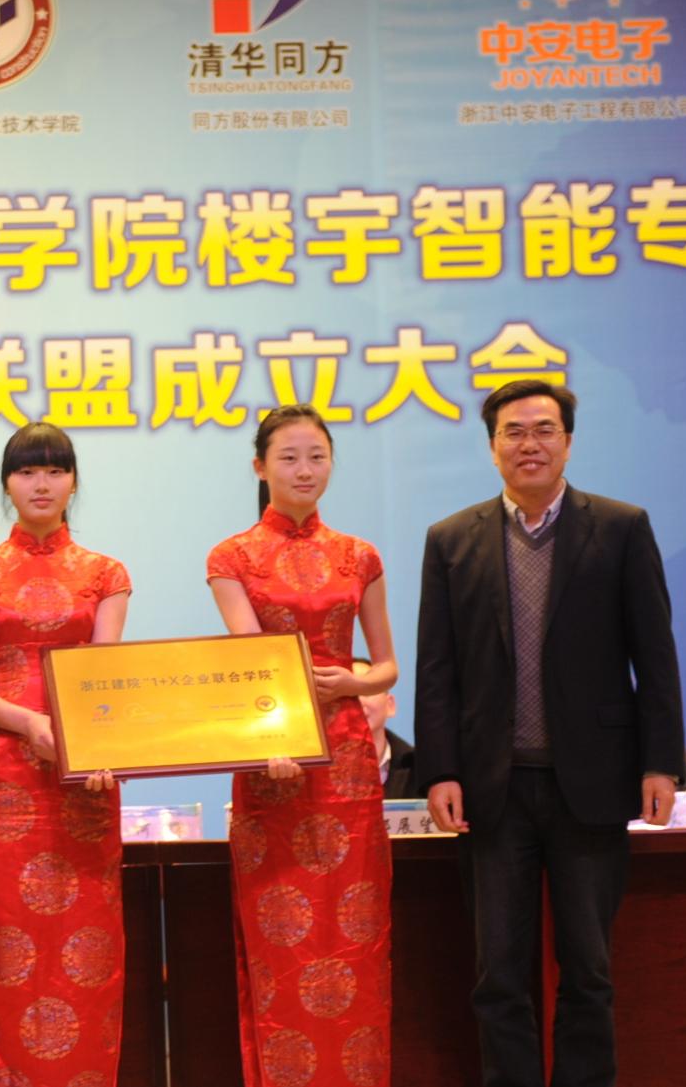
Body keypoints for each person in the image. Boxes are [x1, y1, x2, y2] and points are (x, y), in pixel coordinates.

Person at [414, 379, 684, 1087]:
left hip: (591, 782)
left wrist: (661, 764)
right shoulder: (450, 540)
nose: (528, 443)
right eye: (513, 431)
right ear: (491, 446)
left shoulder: (621, 528)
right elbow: (437, 669)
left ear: (568, 441)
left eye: (543, 429)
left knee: (588, 967)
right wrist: (439, 770)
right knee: (498, 974)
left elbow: (655, 656)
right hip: (492, 789)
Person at [207, 403, 397, 1087]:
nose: (304, 470)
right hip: (272, 759)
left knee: (355, 938)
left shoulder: (359, 555)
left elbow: (387, 667)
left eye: (317, 456)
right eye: (288, 457)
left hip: (346, 764)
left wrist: (352, 680)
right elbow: (250, 660)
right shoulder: (232, 556)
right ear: (260, 467)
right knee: (280, 942)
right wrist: (277, 733)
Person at [0, 423, 131, 1085]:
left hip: (84, 778)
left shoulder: (106, 573)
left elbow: (103, 678)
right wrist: (30, 723)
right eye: (27, 471)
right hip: (6, 782)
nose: (41, 483)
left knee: (89, 955)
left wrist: (87, 741)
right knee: (9, 953)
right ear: (7, 483)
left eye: (55, 470)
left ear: (74, 481)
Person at [354, 656, 419, 800]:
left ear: (390, 705)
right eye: (348, 694)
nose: (358, 701)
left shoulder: (418, 766)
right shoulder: (313, 770)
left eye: (367, 690)